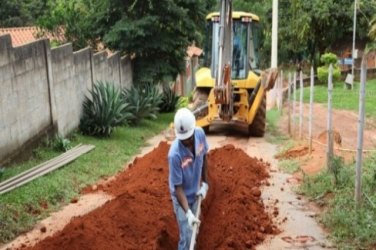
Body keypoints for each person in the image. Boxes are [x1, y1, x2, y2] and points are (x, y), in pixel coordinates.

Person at [168, 108, 209, 250]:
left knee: (194, 232)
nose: (187, 142)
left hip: (195, 191)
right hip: (181, 199)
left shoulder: (200, 134)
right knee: (186, 237)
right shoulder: (174, 155)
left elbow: (204, 157)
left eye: (189, 138)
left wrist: (205, 183)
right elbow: (178, 189)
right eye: (183, 140)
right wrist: (188, 213)